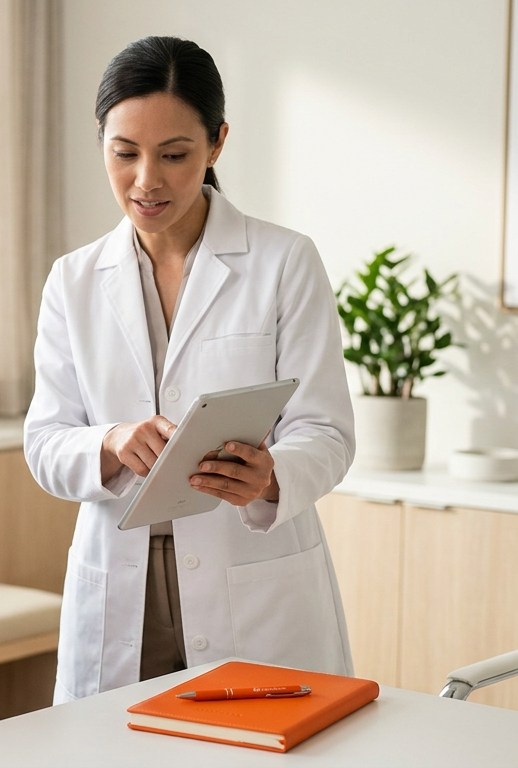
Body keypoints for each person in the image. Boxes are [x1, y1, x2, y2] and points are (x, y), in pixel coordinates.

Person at [24, 36, 356, 703]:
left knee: (255, 744)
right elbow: (45, 442)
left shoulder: (283, 262)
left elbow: (328, 432)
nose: (146, 180)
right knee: (114, 744)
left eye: (174, 155)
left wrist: (271, 476)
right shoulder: (73, 279)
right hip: (121, 586)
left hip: (252, 579)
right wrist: (110, 441)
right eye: (124, 153)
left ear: (216, 143)